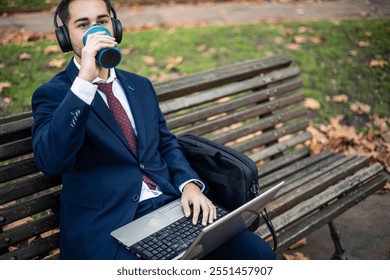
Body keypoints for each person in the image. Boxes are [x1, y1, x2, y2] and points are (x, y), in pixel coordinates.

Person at [31, 0, 276, 260]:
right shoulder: (55, 94)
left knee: (257, 254)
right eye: (83, 25)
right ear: (64, 37)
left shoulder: (140, 85)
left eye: (102, 22)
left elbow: (165, 143)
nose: (96, 32)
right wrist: (84, 83)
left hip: (168, 207)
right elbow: (51, 161)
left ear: (115, 27)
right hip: (107, 224)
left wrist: (190, 185)